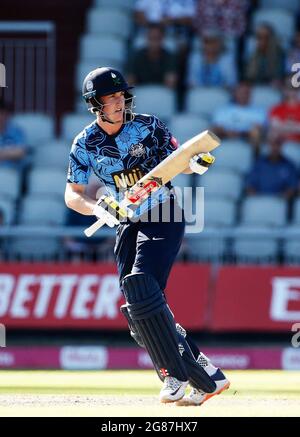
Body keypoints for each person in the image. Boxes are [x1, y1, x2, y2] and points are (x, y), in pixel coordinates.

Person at [64, 66, 230, 405]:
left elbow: (178, 160)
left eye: (121, 94)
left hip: (163, 213)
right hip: (125, 221)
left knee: (140, 284)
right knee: (138, 312)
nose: (119, 101)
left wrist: (195, 164)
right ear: (95, 104)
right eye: (110, 97)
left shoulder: (148, 126)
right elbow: (72, 194)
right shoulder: (84, 142)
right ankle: (206, 376)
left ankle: (174, 378)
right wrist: (98, 207)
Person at [246, 130, 298, 200]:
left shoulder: (289, 165)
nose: (275, 147)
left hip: (280, 203)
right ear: (268, 145)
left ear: (281, 146)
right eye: (272, 144)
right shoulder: (259, 163)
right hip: (259, 201)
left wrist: (281, 199)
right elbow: (250, 185)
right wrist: (257, 199)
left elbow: (292, 187)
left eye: (277, 144)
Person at [126, 23, 178, 89]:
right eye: (151, 38)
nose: (154, 42)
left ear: (162, 39)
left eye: (157, 38)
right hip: (141, 93)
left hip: (161, 93)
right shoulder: (136, 56)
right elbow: (130, 82)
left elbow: (171, 84)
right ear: (146, 38)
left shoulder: (170, 57)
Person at [0, 100, 28, 168]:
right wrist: (9, 153)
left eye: (1, 113)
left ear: (7, 114)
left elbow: (21, 152)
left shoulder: (16, 131)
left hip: (12, 172)